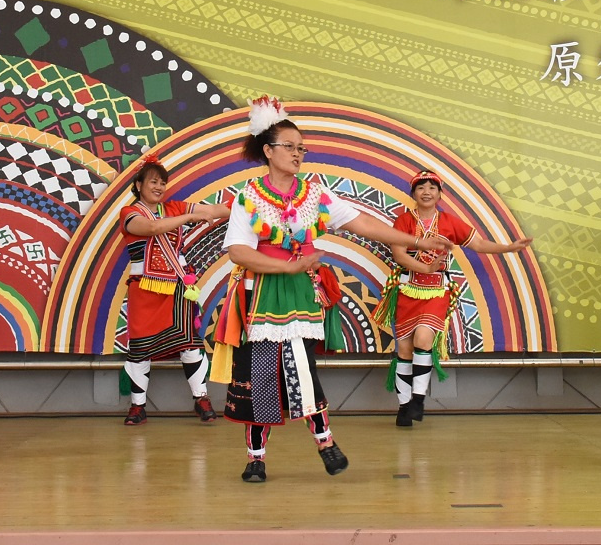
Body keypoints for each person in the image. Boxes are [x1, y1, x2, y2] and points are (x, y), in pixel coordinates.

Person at [212, 97, 450, 483]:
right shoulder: (248, 197)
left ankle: (324, 442)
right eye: (290, 146)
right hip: (261, 297)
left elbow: (364, 224)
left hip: (303, 295)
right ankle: (258, 457)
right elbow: (239, 252)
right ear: (268, 151)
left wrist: (419, 243)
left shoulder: (316, 195)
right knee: (260, 376)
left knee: (302, 367)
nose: (297, 154)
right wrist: (288, 265)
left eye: (301, 148)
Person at [376, 170, 533, 427]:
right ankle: (404, 406)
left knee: (424, 337)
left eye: (432, 187)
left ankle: (417, 399)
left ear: (439, 193)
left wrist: (509, 248)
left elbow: (479, 245)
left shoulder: (450, 222)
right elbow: (399, 255)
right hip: (406, 290)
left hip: (437, 291)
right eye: (421, 187)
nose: (427, 192)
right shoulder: (404, 221)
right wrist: (425, 267)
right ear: (413, 193)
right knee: (404, 349)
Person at [118, 153, 230, 426]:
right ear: (139, 185)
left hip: (178, 287)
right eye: (153, 182)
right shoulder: (130, 214)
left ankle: (201, 399)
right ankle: (137, 407)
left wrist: (249, 205)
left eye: (162, 183)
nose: (158, 187)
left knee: (189, 342)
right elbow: (153, 227)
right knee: (140, 348)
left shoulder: (175, 208)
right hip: (144, 288)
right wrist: (188, 217)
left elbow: (214, 211)